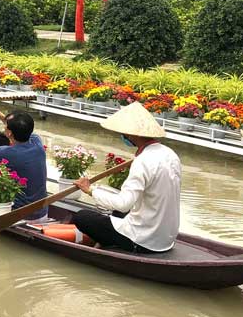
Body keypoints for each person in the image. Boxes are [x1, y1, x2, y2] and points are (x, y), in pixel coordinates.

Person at [72, 101, 181, 253]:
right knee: (117, 212)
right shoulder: (170, 154)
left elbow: (123, 204)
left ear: (130, 134)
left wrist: (90, 190)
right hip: (166, 237)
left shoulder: (143, 161)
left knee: (81, 217)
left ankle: (107, 244)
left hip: (144, 240)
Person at [0, 103, 48, 220]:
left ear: (9, 133)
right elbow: (19, 128)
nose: (4, 126)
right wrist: (0, 115)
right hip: (42, 212)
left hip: (19, 215)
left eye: (6, 125)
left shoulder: (9, 153)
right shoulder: (37, 142)